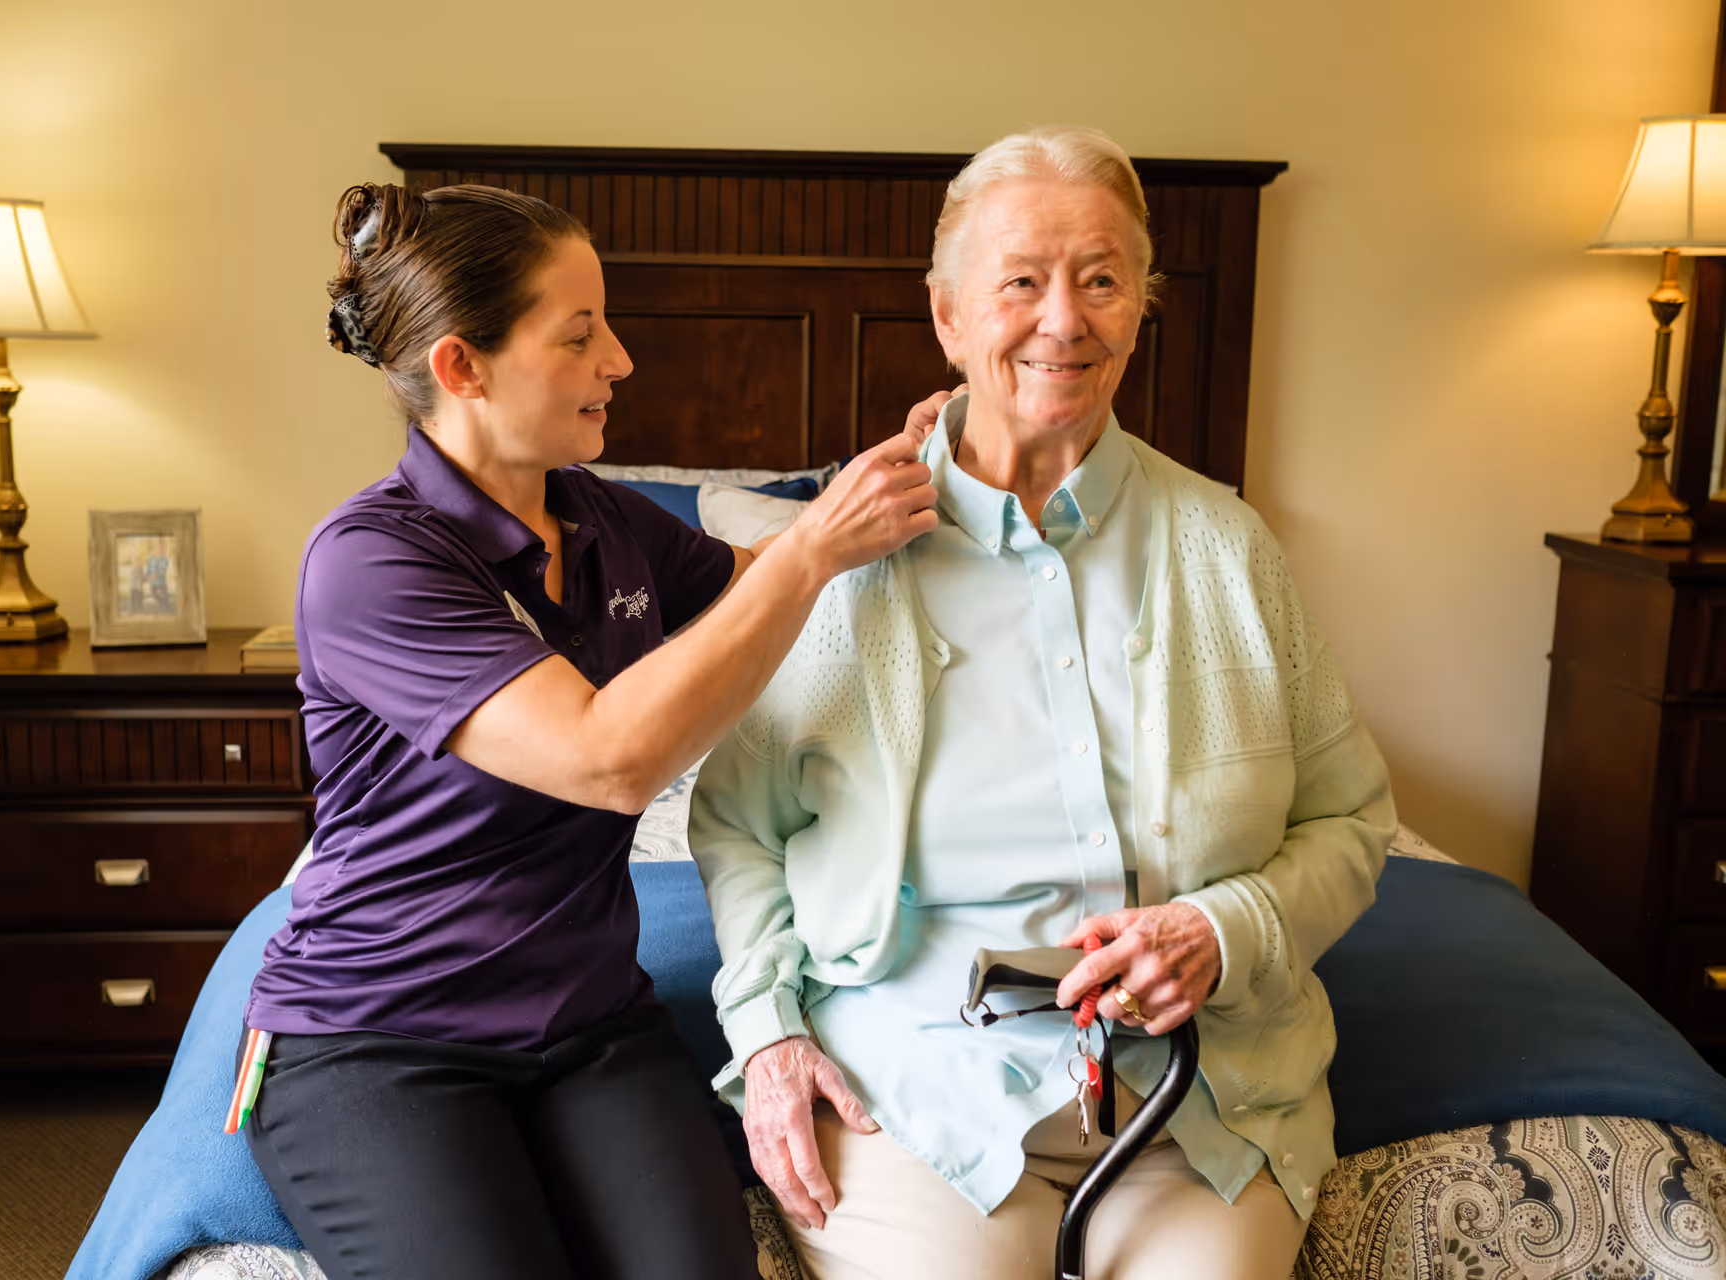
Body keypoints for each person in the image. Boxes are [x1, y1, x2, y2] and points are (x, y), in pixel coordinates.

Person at [689, 127, 1397, 1280]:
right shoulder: (840, 555)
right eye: (1021, 281)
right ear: (950, 318)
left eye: (1103, 279)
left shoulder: (1227, 547)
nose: (1065, 319)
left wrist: (1226, 930)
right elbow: (734, 824)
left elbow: (1353, 820)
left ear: (1138, 308)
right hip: (915, 1081)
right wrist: (768, 1029)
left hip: (1200, 1089)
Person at [241, 180, 948, 1280]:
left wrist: (899, 486)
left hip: (587, 1022)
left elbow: (765, 600)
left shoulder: (601, 513)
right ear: (461, 368)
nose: (620, 360)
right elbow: (609, 758)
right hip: (382, 1034)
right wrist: (814, 547)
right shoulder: (372, 559)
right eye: (580, 336)